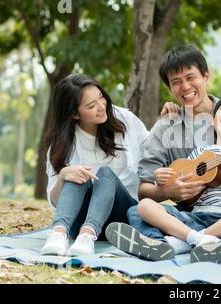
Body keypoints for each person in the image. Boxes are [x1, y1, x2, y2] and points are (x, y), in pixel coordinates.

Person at [105, 45, 221, 263]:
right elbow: (144, 190)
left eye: (191, 77)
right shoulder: (165, 127)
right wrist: (166, 190)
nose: (185, 86)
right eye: (176, 82)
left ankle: (185, 243)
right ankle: (166, 244)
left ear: (206, 76)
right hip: (193, 211)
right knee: (137, 210)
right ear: (169, 88)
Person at [40, 74, 148, 257]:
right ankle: (58, 234)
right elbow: (55, 201)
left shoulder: (125, 120)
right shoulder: (61, 144)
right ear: (75, 114)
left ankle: (88, 236)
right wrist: (64, 175)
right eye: (91, 106)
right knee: (76, 173)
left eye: (101, 97)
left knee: (105, 173)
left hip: (121, 217)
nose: (100, 106)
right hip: (78, 221)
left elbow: (153, 149)